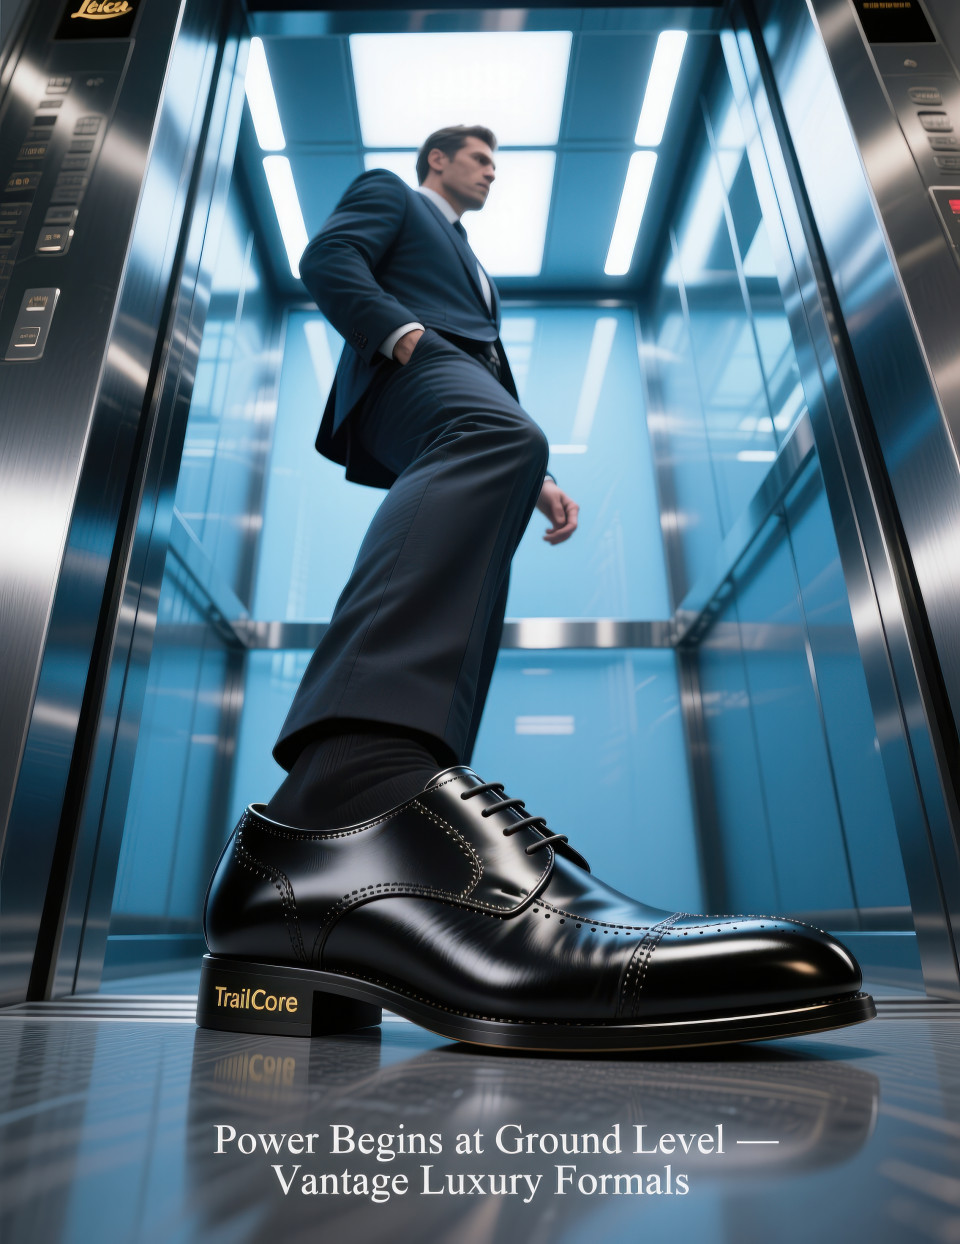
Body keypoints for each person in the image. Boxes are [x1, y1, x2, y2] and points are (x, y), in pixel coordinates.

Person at [199, 126, 873, 1051]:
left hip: (460, 391)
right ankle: (358, 787)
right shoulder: (393, 195)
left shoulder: (475, 264)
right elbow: (330, 258)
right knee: (495, 441)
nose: (489, 173)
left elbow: (491, 389)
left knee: (499, 456)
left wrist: (529, 460)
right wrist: (403, 339)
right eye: (477, 159)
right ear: (436, 161)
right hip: (405, 367)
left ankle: (344, 830)